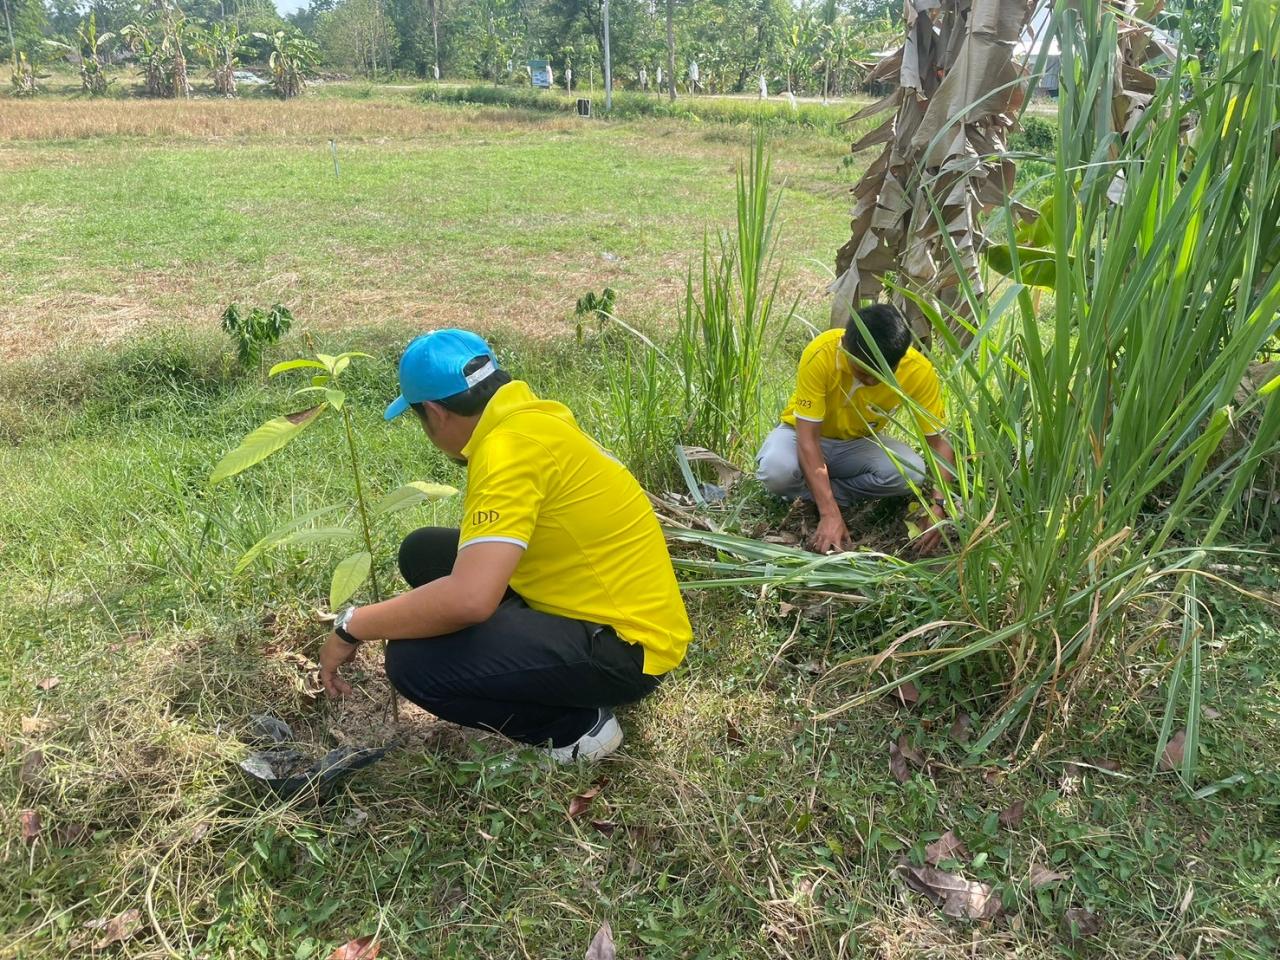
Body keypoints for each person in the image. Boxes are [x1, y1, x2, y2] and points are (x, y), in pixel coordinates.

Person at [318, 330, 692, 761]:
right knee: (424, 551)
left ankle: (576, 730)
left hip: (627, 651)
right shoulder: (530, 419)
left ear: (436, 413)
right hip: (595, 606)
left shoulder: (505, 451)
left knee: (414, 664)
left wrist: (352, 625)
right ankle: (529, 662)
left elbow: (469, 600)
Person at [755, 304, 956, 555]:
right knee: (776, 470)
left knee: (909, 472)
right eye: (862, 371)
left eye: (880, 375)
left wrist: (939, 505)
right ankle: (823, 497)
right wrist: (829, 515)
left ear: (900, 359)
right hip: (802, 435)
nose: (870, 381)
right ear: (845, 345)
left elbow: (939, 442)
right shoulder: (821, 352)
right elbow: (807, 437)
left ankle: (813, 494)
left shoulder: (918, 371)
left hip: (856, 444)